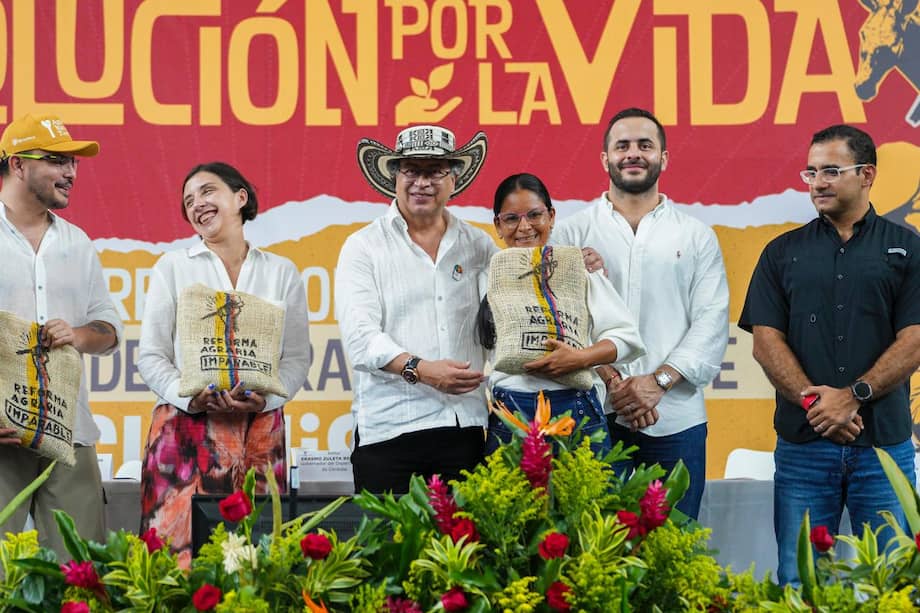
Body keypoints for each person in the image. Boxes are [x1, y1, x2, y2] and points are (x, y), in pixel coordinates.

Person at [738, 124, 920, 586]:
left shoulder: (908, 249)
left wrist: (853, 395)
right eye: (811, 172)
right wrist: (815, 403)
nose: (818, 182)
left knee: (889, 583)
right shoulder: (782, 253)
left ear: (867, 174)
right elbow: (765, 341)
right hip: (804, 447)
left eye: (831, 171)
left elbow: (915, 339)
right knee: (800, 581)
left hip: (883, 446)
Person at [552, 107, 729, 519]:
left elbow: (711, 320)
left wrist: (658, 382)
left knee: (676, 549)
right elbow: (562, 321)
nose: (634, 154)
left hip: (676, 419)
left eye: (645, 146)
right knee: (598, 553)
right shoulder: (572, 234)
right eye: (623, 146)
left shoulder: (695, 235)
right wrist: (614, 381)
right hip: (593, 413)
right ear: (605, 158)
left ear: (663, 158)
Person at [137, 162, 310, 567]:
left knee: (257, 560)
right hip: (184, 431)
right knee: (176, 561)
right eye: (188, 201)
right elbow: (151, 355)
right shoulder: (173, 268)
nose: (197, 204)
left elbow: (298, 357)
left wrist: (265, 401)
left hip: (260, 434)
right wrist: (189, 398)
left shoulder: (280, 272)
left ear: (240, 198)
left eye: (207, 191)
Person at [337, 125, 497, 494]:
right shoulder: (364, 246)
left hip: (464, 428)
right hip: (389, 430)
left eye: (435, 170)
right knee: (389, 551)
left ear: (453, 179)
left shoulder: (479, 245)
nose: (422, 182)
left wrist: (568, 265)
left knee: (467, 550)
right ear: (395, 176)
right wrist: (422, 370)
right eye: (411, 170)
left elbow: (503, 324)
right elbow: (361, 339)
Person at [0, 113, 123, 558]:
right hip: (1, 434)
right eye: (56, 160)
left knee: (81, 572)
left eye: (73, 162)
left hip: (70, 431)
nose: (70, 172)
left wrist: (77, 335)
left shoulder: (78, 243)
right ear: (17, 165)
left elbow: (108, 331)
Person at [477, 173, 644, 455]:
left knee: (586, 500)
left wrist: (580, 358)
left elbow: (626, 338)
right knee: (508, 501)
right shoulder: (486, 276)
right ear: (498, 225)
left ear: (552, 217)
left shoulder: (576, 269)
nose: (524, 227)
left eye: (534, 215)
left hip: (576, 410)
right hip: (509, 415)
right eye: (511, 218)